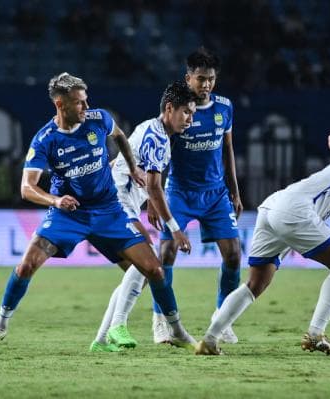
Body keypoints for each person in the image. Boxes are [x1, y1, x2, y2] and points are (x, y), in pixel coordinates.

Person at [0, 72, 195, 351]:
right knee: (27, 264)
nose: (86, 108)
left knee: (154, 271)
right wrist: (55, 201)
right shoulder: (46, 140)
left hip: (108, 210)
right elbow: (26, 188)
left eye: (86, 101)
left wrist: (132, 165)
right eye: (79, 103)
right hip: (69, 214)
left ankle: (174, 330)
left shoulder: (98, 119)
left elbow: (121, 136)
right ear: (60, 104)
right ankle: (0, 325)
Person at [195, 130, 330, 356]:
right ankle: (316, 334)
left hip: (271, 208)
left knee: (255, 284)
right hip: (294, 211)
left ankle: (209, 339)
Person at [89, 81, 197, 352]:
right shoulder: (157, 136)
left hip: (120, 201)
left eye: (193, 113)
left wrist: (148, 202)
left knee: (141, 270)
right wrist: (175, 228)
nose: (190, 119)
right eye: (186, 112)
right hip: (117, 202)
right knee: (147, 262)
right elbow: (154, 185)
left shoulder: (149, 128)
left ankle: (102, 340)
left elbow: (125, 165)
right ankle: (118, 326)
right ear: (169, 108)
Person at [148, 47, 244, 344]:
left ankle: (223, 318)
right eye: (201, 79)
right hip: (179, 191)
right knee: (166, 253)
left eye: (211, 79)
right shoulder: (175, 110)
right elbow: (160, 155)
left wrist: (234, 191)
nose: (206, 85)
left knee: (234, 255)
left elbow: (227, 150)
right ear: (188, 78)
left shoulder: (224, 107)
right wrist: (154, 199)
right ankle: (161, 319)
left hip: (215, 194)